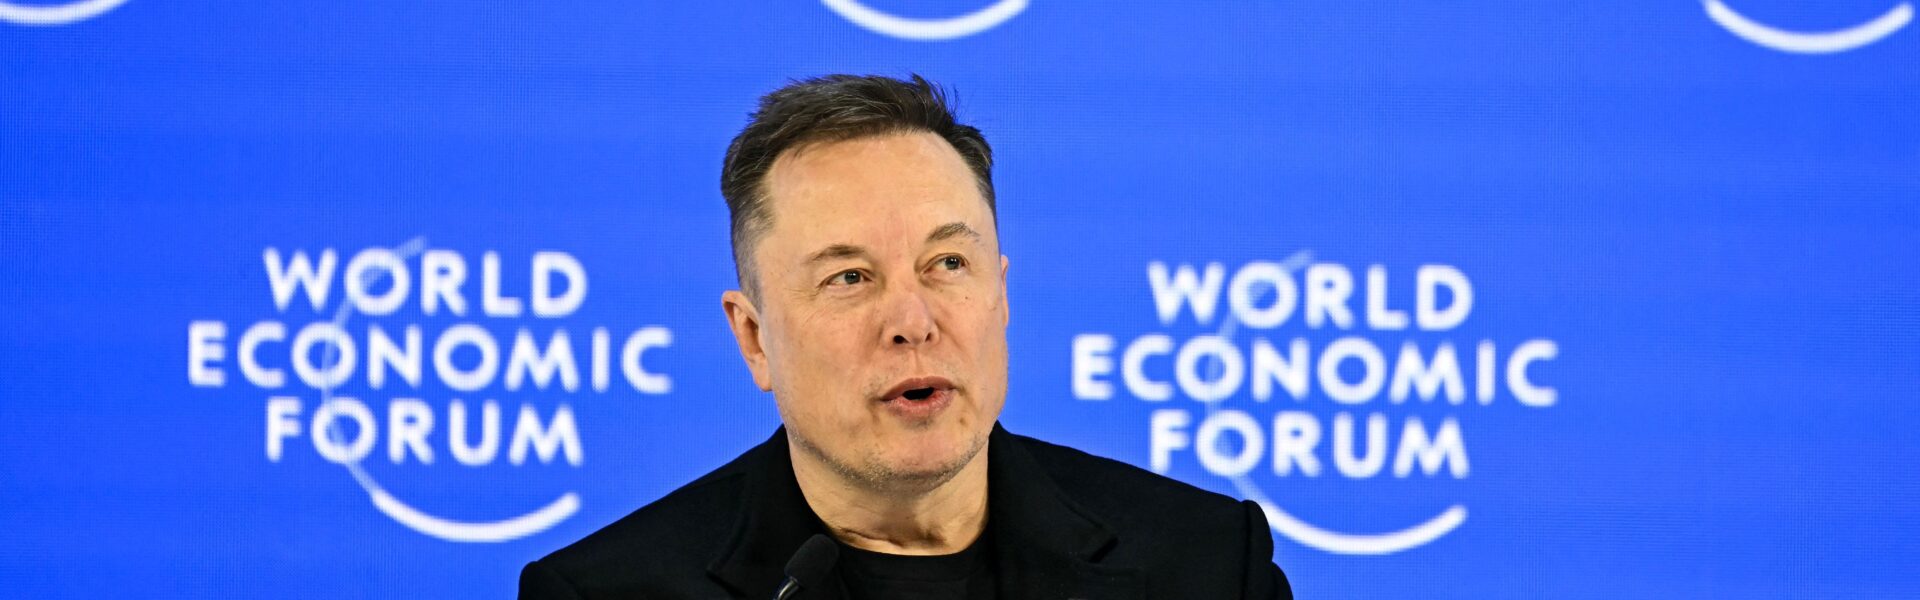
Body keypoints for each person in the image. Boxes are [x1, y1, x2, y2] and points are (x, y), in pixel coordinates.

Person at [520, 74, 1293, 600]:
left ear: (1001, 294)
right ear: (754, 338)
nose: (913, 322)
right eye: (849, 277)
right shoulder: (606, 590)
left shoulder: (1206, 563)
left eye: (948, 264)